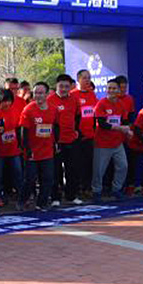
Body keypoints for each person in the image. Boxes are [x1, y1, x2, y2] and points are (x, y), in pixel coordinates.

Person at [92, 78, 132, 200]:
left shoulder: (121, 104)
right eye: (109, 88)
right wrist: (120, 128)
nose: (111, 90)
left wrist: (128, 131)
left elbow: (125, 121)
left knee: (123, 166)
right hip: (102, 143)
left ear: (119, 90)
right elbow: (102, 124)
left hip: (117, 143)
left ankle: (116, 189)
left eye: (114, 88)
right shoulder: (101, 104)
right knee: (99, 170)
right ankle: (96, 191)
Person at [19, 82, 57, 209]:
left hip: (47, 151)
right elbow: (23, 131)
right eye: (36, 93)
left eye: (41, 93)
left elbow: (55, 127)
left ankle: (42, 203)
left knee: (48, 178)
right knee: (30, 179)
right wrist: (27, 149)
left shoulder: (53, 109)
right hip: (32, 151)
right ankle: (22, 200)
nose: (38, 95)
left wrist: (56, 143)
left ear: (47, 94)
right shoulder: (28, 109)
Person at [48, 74, 81, 205]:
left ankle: (71, 196)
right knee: (56, 171)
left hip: (71, 140)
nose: (63, 89)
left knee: (72, 170)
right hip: (56, 141)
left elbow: (78, 116)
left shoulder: (74, 99)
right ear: (56, 86)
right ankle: (55, 197)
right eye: (61, 86)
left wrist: (76, 130)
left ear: (70, 87)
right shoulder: (50, 100)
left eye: (66, 86)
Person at [0, 88, 23, 208]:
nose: (7, 103)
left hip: (13, 148)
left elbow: (19, 127)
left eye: (9, 101)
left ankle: (21, 196)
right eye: (4, 101)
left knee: (18, 172)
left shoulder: (14, 110)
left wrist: (21, 144)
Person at [73, 69, 99, 196]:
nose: (87, 80)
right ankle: (76, 188)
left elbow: (94, 115)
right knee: (77, 164)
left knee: (89, 163)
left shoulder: (92, 94)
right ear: (78, 79)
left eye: (89, 77)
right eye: (84, 78)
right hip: (77, 136)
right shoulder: (73, 95)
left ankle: (87, 188)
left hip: (90, 136)